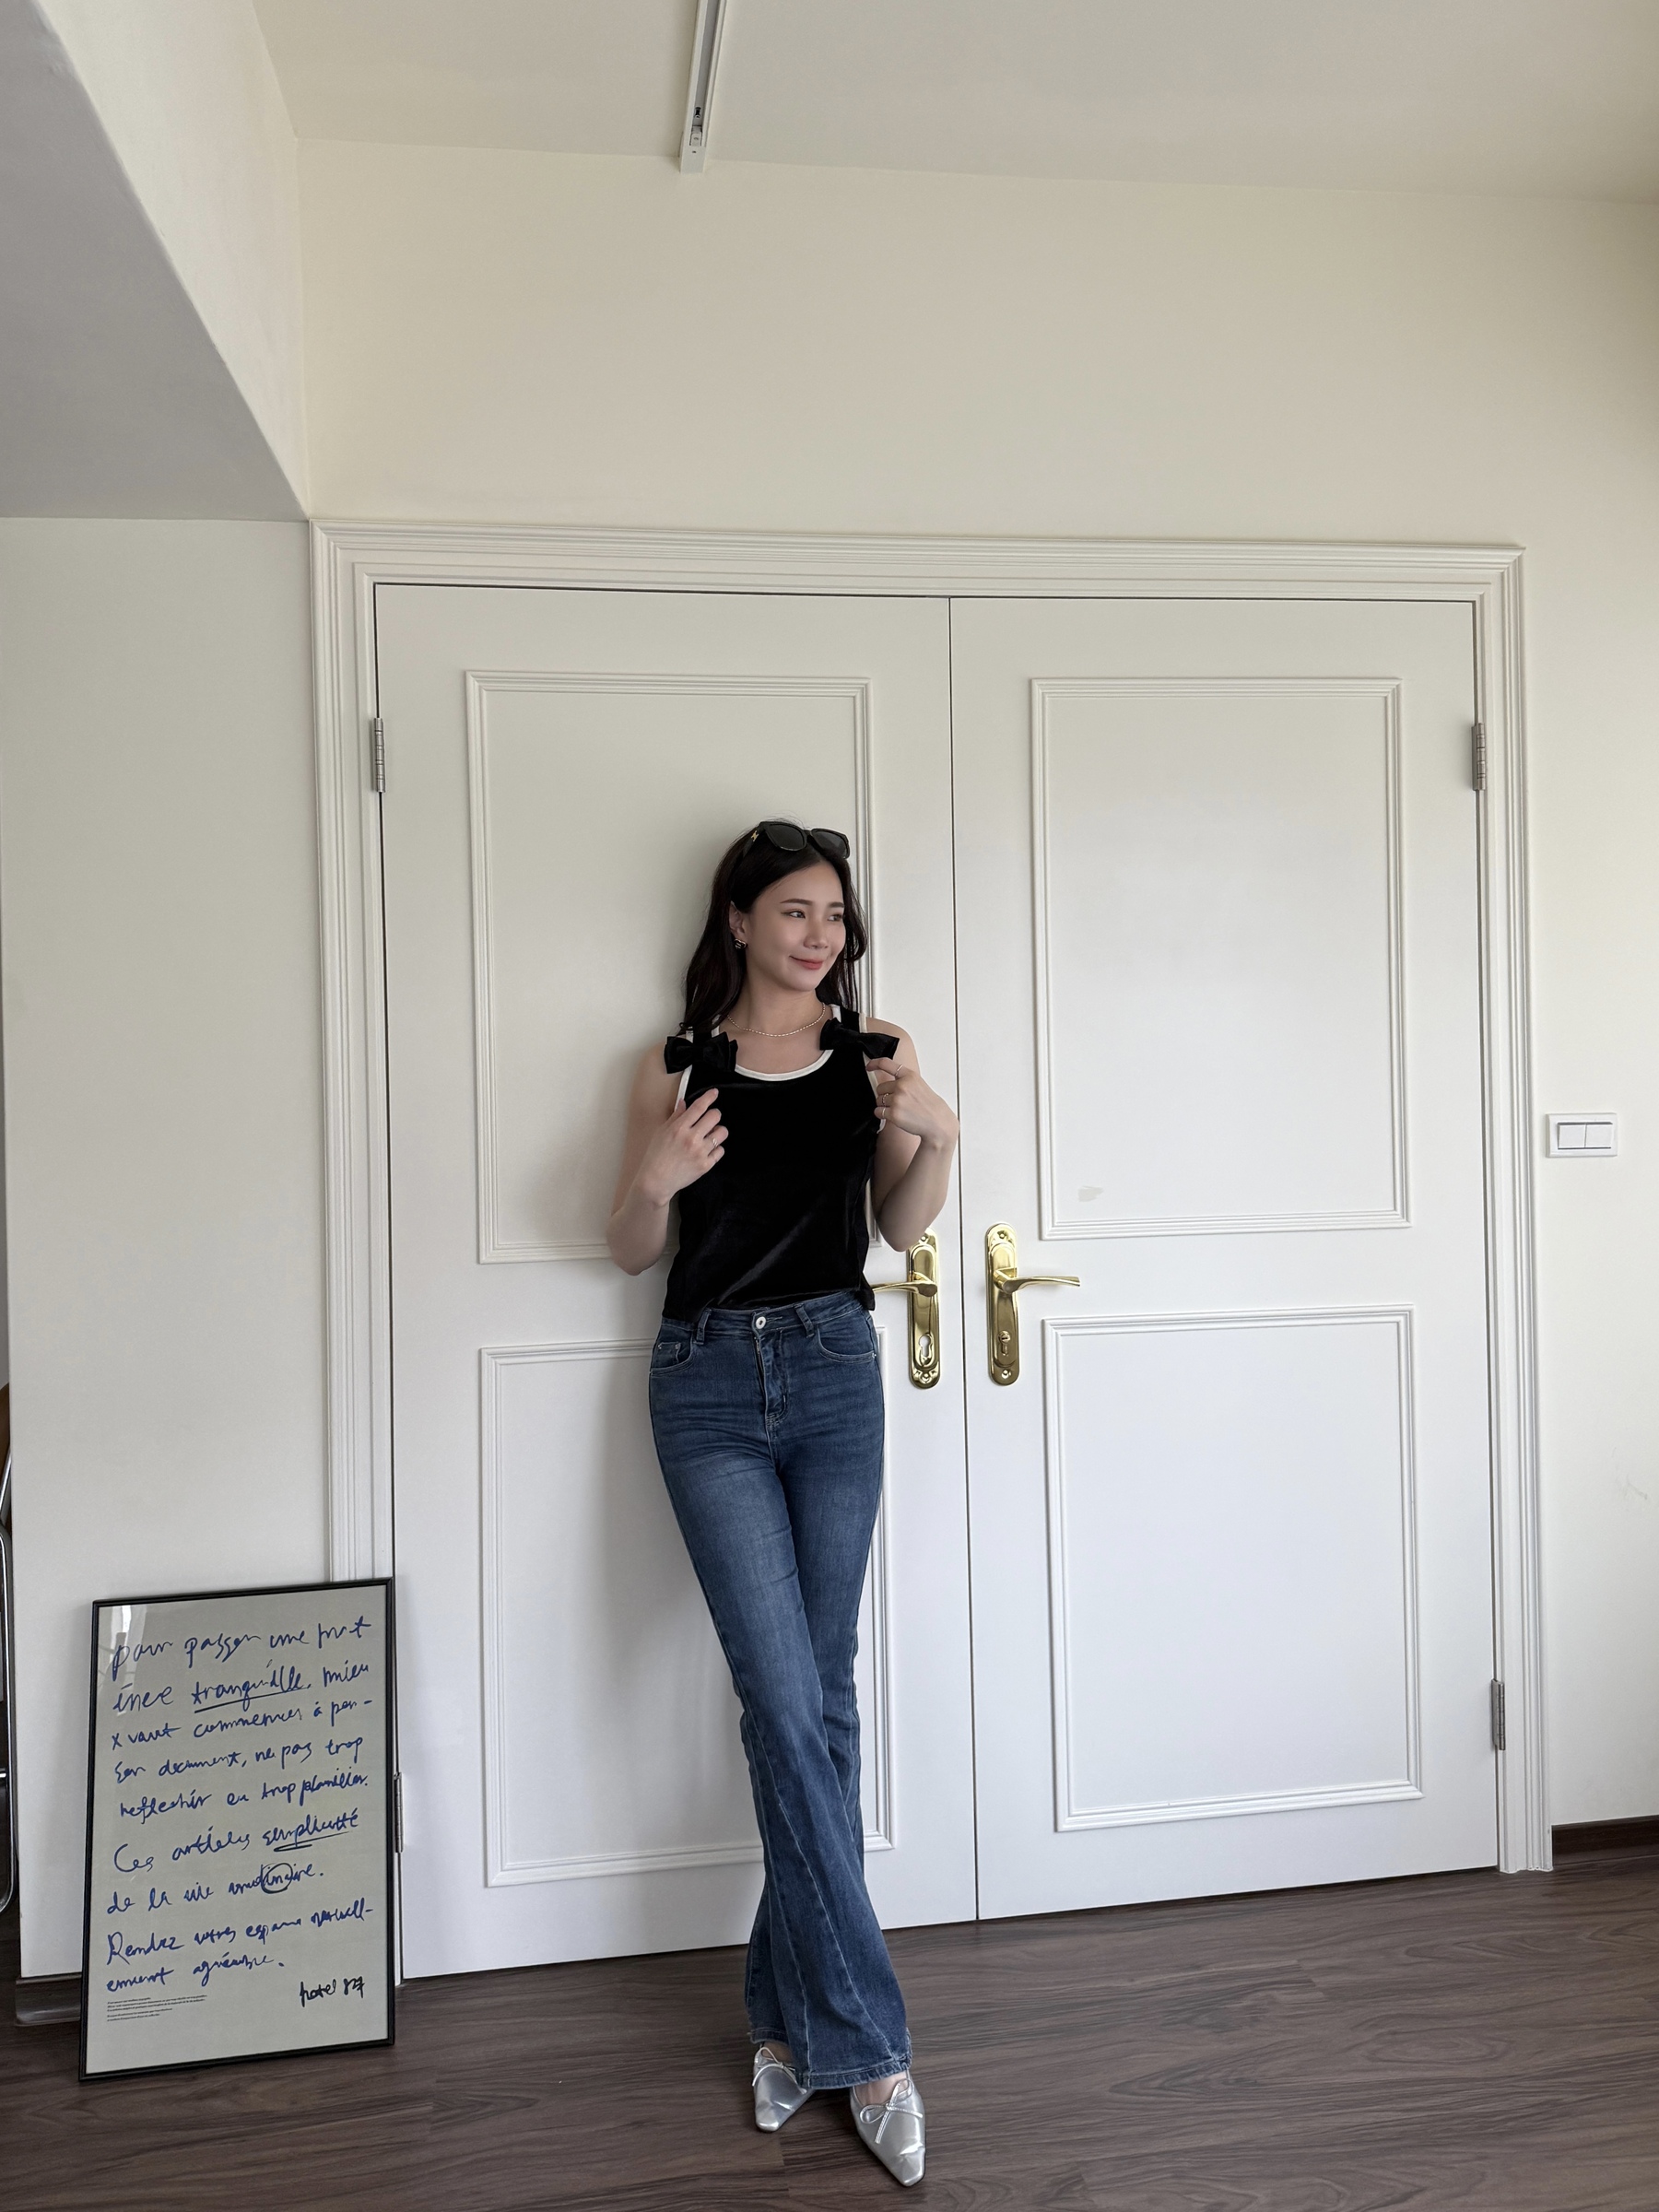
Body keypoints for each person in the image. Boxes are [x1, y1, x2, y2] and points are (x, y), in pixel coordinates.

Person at [606, 820, 959, 2188]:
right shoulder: (676, 1065)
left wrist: (940, 1134)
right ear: (742, 921)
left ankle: (782, 2021)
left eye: (835, 915)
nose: (820, 936)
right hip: (703, 1387)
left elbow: (901, 1227)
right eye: (796, 912)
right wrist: (655, 1182)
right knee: (783, 1694)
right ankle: (871, 2049)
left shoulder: (875, 1054)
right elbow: (629, 1245)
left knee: (819, 1700)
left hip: (831, 1372)